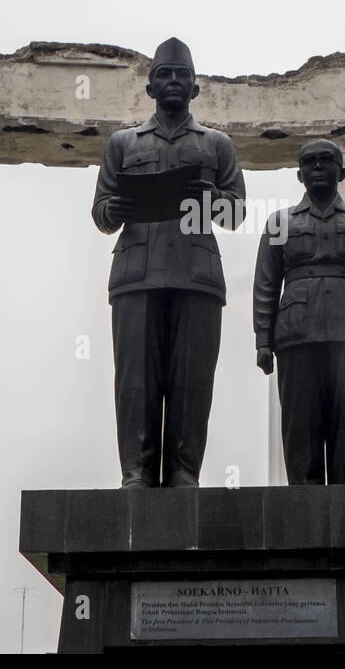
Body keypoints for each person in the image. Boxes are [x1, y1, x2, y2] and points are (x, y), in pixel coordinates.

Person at [91, 38, 246, 488]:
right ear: (150, 87)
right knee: (135, 380)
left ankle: (184, 471)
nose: (174, 82)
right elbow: (100, 210)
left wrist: (213, 199)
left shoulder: (218, 144)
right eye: (165, 74)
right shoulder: (122, 143)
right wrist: (112, 212)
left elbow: (237, 212)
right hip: (136, 275)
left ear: (196, 89)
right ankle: (136, 472)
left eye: (182, 75)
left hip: (196, 276)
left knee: (191, 379)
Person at [253, 139, 345, 484]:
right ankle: (305, 505)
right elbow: (266, 286)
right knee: (300, 428)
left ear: (341, 171)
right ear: (299, 174)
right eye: (310, 162)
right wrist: (262, 341)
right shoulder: (279, 223)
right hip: (297, 337)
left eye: (326, 160)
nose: (317, 167)